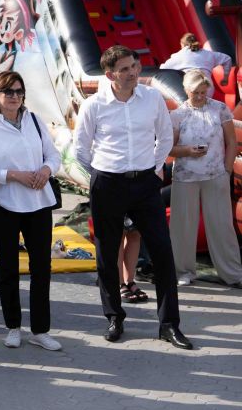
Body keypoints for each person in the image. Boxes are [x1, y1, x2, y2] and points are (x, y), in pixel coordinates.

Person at [74, 45, 193, 349]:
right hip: (108, 184)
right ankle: (114, 316)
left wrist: (153, 169)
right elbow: (81, 150)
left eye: (135, 66)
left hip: (145, 183)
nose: (133, 73)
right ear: (110, 74)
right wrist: (103, 176)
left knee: (163, 253)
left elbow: (165, 137)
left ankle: (169, 325)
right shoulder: (93, 105)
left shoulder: (152, 98)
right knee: (106, 254)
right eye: (125, 69)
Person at [0, 71, 63, 351]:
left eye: (19, 91)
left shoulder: (34, 121)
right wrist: (12, 175)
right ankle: (13, 326)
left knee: (41, 268)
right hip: (5, 205)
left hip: (38, 204)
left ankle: (40, 329)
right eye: (8, 91)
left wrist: (47, 170)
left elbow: (54, 154)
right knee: (8, 268)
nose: (14, 96)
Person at [168, 69, 242, 288]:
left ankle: (232, 273)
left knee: (222, 226)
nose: (200, 96)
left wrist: (227, 169)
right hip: (185, 176)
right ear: (186, 90)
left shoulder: (220, 109)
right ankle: (183, 271)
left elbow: (231, 142)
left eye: (203, 91)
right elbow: (169, 148)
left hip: (216, 175)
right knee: (183, 226)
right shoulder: (177, 115)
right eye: (195, 92)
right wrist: (188, 151)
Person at [159, 33, 232, 83]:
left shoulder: (178, 56)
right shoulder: (209, 54)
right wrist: (225, 78)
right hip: (208, 87)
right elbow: (227, 59)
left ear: (183, 45)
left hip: (192, 88)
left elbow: (163, 69)